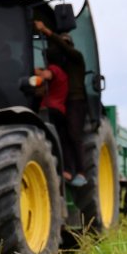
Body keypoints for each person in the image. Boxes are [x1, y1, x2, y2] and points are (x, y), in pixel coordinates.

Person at [34, 20, 87, 187]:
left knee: (73, 135)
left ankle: (81, 172)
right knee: (63, 136)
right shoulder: (60, 68)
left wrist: (46, 31)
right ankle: (67, 170)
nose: (62, 48)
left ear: (70, 45)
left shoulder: (77, 58)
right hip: (63, 104)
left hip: (76, 101)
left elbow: (50, 72)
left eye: (65, 45)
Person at [34, 49, 73, 181]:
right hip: (61, 110)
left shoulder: (53, 69)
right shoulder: (65, 75)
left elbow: (47, 75)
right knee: (61, 140)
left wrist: (35, 71)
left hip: (49, 109)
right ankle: (66, 170)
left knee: (46, 140)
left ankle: (52, 168)